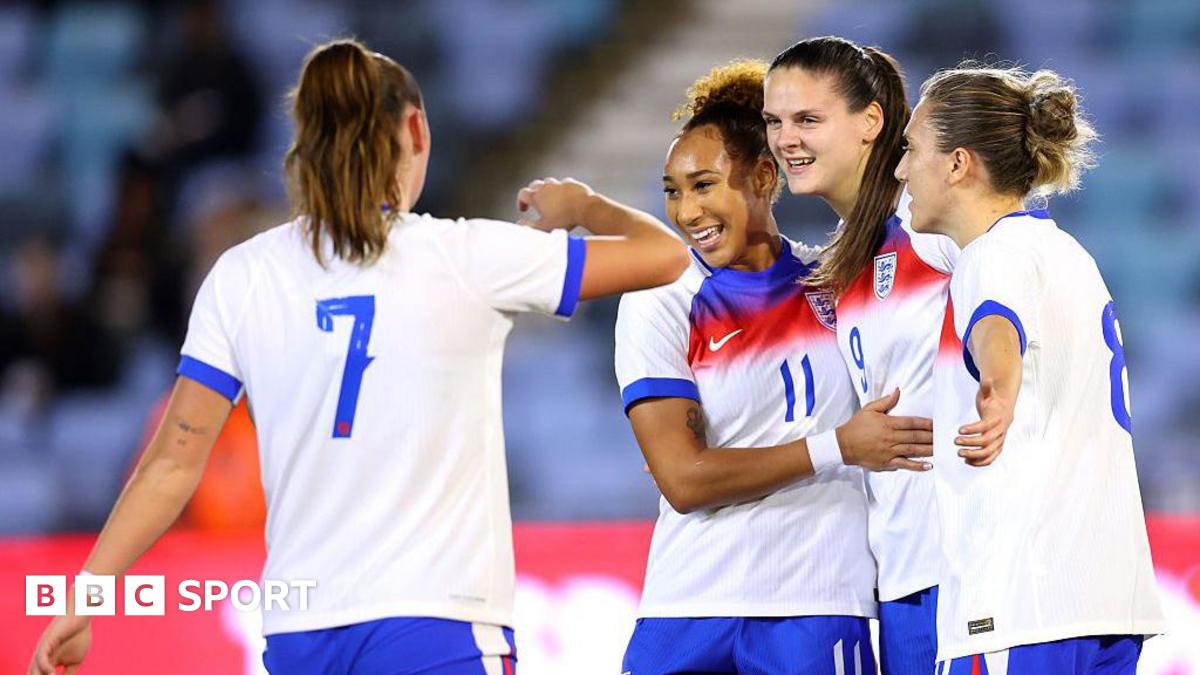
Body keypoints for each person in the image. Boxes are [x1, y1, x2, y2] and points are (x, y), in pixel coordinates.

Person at [28, 38, 689, 675]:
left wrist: (84, 600)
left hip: (303, 633)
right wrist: (585, 205)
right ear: (416, 130)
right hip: (438, 622)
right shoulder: (469, 257)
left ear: (304, 144)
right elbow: (667, 257)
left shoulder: (242, 277)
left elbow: (171, 463)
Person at [615, 59, 934, 675]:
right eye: (673, 190)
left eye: (704, 185)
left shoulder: (840, 282)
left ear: (764, 176)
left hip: (819, 606)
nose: (687, 211)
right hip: (687, 604)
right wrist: (838, 446)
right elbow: (683, 480)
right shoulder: (660, 301)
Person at [895, 63, 1167, 673]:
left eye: (911, 150)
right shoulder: (1064, 252)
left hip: (1019, 602)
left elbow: (997, 327)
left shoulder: (988, 257)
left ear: (958, 164)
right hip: (1104, 603)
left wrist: (998, 391)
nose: (901, 170)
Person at [763, 35, 959, 674]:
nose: (786, 140)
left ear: (870, 121)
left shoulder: (931, 224)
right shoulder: (850, 253)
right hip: (901, 575)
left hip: (965, 568)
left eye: (807, 119)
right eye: (774, 122)